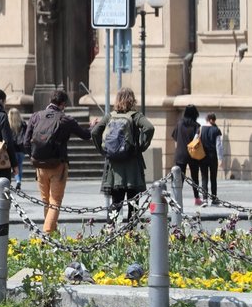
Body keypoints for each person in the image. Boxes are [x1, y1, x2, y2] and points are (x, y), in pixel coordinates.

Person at [22, 90, 92, 233]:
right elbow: (86, 135)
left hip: (39, 166)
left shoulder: (36, 116)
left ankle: (52, 232)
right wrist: (94, 125)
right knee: (55, 201)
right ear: (63, 104)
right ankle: (47, 235)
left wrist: (34, 156)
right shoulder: (66, 119)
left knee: (46, 200)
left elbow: (25, 142)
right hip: (57, 165)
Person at [92, 88, 155, 223]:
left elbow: (95, 132)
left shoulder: (110, 115)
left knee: (116, 202)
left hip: (114, 167)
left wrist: (103, 151)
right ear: (132, 100)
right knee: (133, 203)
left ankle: (111, 230)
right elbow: (149, 128)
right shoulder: (135, 116)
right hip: (132, 164)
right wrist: (142, 146)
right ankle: (131, 234)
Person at [172, 104, 203, 206]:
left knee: (179, 177)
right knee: (195, 177)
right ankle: (197, 198)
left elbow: (175, 137)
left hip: (180, 153)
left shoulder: (179, 124)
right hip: (192, 154)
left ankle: (177, 198)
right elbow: (197, 141)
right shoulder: (196, 126)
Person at [198, 113, 225, 206]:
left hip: (203, 157)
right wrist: (220, 158)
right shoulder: (216, 130)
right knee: (213, 178)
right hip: (212, 157)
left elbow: (196, 140)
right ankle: (214, 198)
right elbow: (218, 145)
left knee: (204, 178)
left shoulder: (201, 128)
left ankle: (204, 199)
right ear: (211, 120)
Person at [7, 108, 28, 190]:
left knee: (10, 166)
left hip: (11, 149)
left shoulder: (8, 124)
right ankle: (18, 181)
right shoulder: (23, 124)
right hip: (21, 148)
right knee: (19, 166)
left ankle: (8, 181)